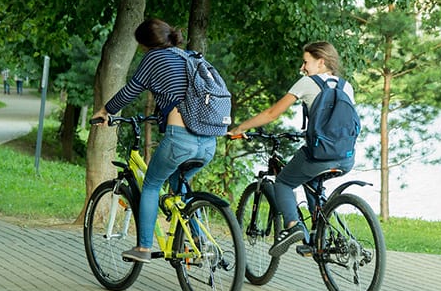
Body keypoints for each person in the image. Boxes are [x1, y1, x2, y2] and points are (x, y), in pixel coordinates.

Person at [92, 18, 217, 263]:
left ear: (146, 44)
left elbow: (131, 90)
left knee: (150, 185)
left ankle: (143, 248)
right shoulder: (187, 56)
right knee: (180, 187)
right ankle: (198, 240)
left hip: (181, 140)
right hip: (209, 142)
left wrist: (105, 111)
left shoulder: (154, 58)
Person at [228, 42, 356, 257]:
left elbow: (271, 114)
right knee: (311, 180)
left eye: (306, 62)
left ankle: (293, 226)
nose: (303, 67)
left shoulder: (307, 83)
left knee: (284, 182)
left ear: (321, 61)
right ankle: (317, 239)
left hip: (319, 156)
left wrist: (240, 128)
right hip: (346, 157)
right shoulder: (346, 86)